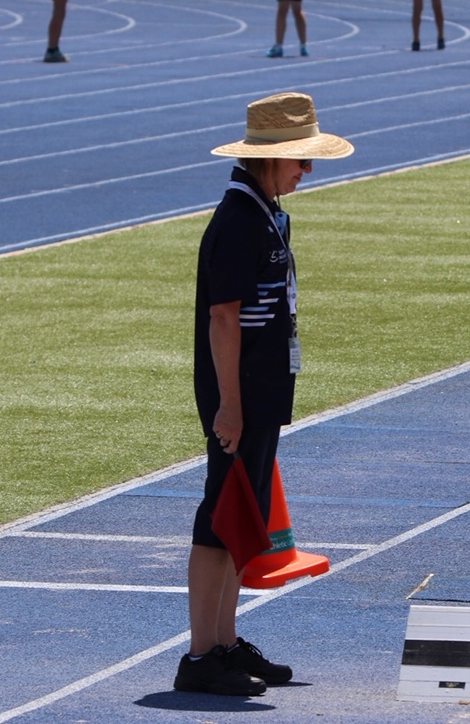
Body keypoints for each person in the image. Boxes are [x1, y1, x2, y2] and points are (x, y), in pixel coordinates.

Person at [176, 92, 353, 696]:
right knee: (218, 520)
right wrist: (229, 404)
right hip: (240, 399)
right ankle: (201, 655)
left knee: (240, 521)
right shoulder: (237, 221)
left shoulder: (267, 213)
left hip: (260, 395)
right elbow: (222, 319)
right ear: (268, 160)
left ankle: (224, 642)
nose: (307, 172)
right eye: (302, 161)